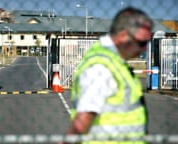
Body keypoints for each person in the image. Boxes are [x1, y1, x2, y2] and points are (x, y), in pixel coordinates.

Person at [60, 7, 153, 144]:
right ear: (123, 36)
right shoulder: (101, 67)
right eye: (141, 43)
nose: (145, 49)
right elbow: (82, 122)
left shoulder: (113, 61)